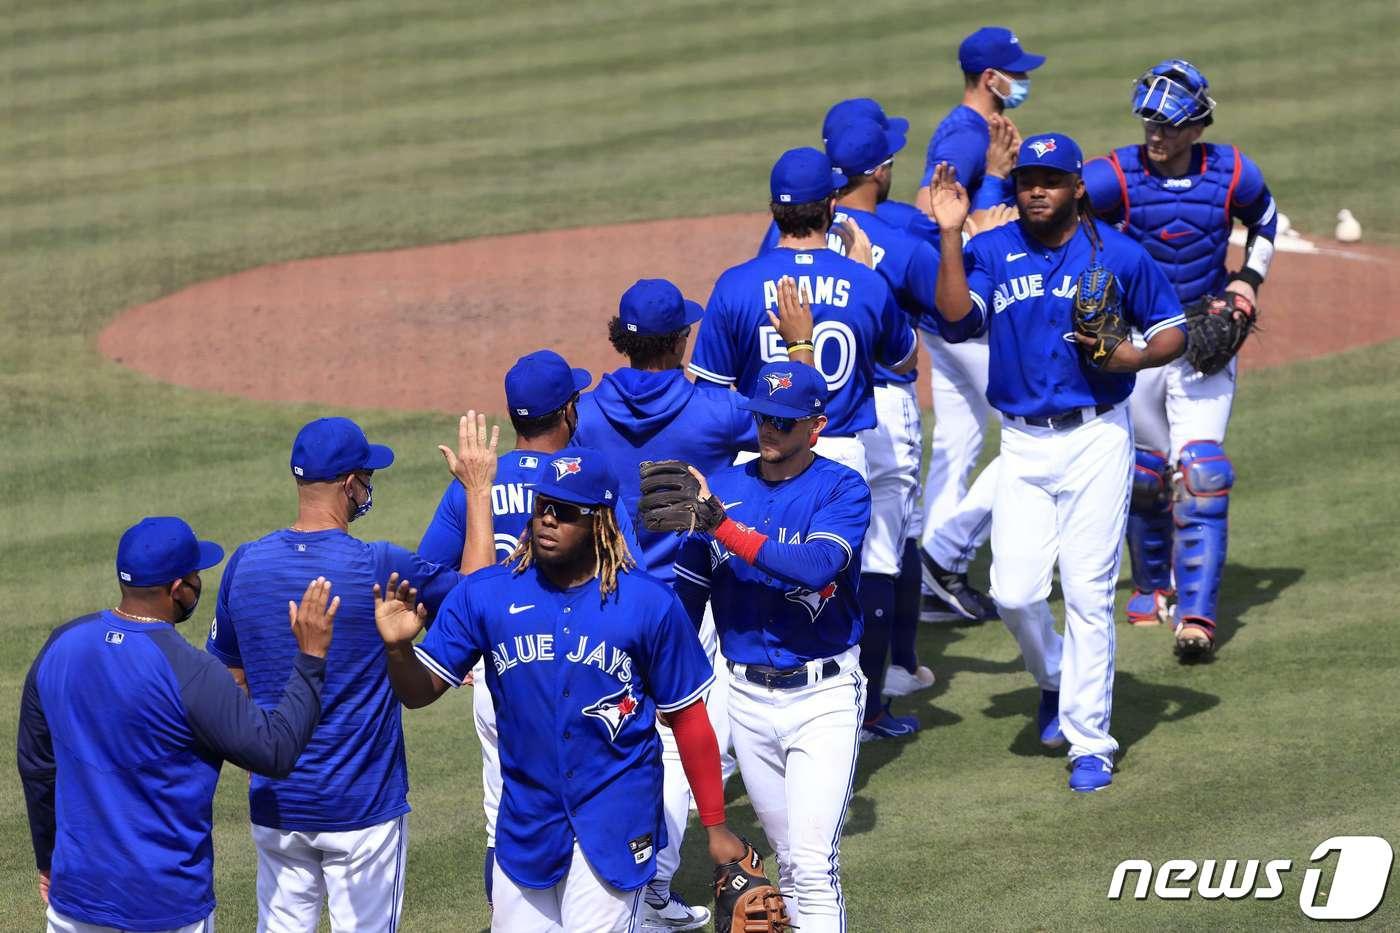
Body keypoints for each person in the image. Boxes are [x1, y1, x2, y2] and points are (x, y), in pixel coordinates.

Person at [377, 447, 752, 933]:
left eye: (567, 511)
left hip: (617, 821)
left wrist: (716, 827)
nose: (548, 520)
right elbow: (420, 691)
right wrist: (397, 652)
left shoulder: (647, 604)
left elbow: (689, 719)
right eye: (543, 506)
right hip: (528, 825)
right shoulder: (487, 593)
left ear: (600, 522)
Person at [924, 133, 1187, 791]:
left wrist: (1135, 358)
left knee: (1090, 595)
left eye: (1049, 180)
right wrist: (951, 233)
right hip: (1020, 443)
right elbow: (956, 321)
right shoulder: (989, 249)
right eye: (1026, 180)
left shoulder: (1118, 254)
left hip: (1096, 437)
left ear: (1076, 188)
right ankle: (1052, 679)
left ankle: (1090, 742)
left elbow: (1172, 330)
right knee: (1014, 592)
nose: (1035, 190)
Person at [207, 416, 493, 932]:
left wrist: (256, 751)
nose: (368, 488)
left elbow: (230, 681)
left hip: (277, 803)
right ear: (348, 484)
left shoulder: (243, 565)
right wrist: (476, 491)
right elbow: (479, 596)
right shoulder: (376, 564)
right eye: (366, 476)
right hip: (362, 809)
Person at [417, 350, 652, 917]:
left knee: (506, 819)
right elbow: (632, 580)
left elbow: (430, 580)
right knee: (592, 801)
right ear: (569, 411)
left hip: (502, 673)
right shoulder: (587, 484)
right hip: (584, 670)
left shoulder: (475, 486)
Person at [19, 517, 335, 932]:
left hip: (77, 901)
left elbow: (37, 768)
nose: (199, 584)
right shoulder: (192, 672)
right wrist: (310, 659)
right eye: (195, 575)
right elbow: (275, 751)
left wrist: (48, 860)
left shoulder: (60, 645)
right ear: (177, 589)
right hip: (165, 907)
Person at [572, 280, 754, 928]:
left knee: (608, 732)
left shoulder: (587, 413)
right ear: (682, 339)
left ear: (622, 338)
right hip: (684, 603)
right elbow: (795, 420)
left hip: (604, 599)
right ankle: (650, 885)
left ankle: (604, 879)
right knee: (689, 743)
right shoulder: (717, 413)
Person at [1083, 60, 1278, 658]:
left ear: (1196, 126)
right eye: (1149, 122)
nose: (1156, 135)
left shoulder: (1233, 171)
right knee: (1146, 477)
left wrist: (1247, 280)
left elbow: (1265, 220)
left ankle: (1197, 618)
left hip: (1202, 335)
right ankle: (1149, 585)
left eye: (1168, 125)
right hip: (1140, 340)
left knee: (1202, 474)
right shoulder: (1115, 174)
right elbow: (1055, 208)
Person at [670, 361, 871, 932]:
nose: (769, 431)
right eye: (763, 418)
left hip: (824, 694)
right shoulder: (725, 488)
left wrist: (724, 529)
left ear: (815, 426)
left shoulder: (842, 488)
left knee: (810, 864)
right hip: (746, 698)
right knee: (787, 858)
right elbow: (690, 590)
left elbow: (817, 564)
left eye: (784, 423)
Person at [911, 26, 1046, 624]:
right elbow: (928, 211)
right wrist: (993, 178)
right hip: (967, 308)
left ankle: (927, 576)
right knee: (1031, 431)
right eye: (1014, 71)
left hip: (945, 312)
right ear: (990, 79)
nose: (1023, 80)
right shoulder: (968, 133)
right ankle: (943, 558)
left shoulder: (965, 129)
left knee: (961, 441)